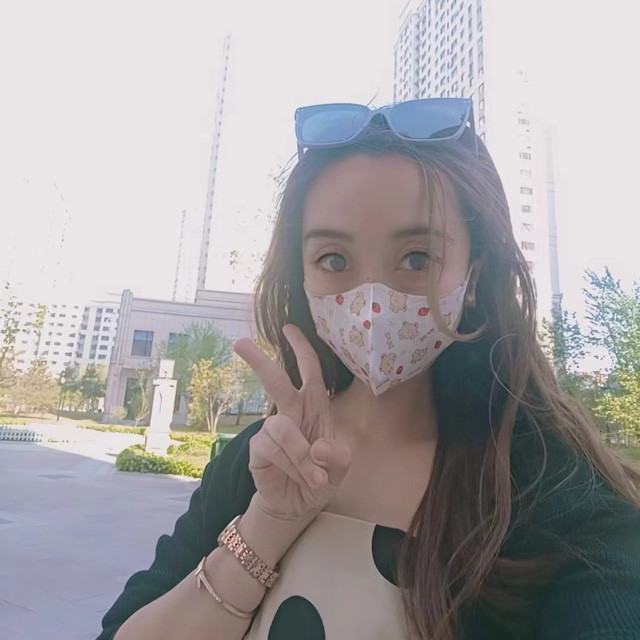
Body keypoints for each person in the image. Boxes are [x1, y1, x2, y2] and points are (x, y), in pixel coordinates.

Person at [97, 99, 640, 640]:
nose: (372, 303)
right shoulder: (260, 460)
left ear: (472, 276)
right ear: (302, 276)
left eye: (417, 257)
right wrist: (268, 524)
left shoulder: (552, 484)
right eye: (334, 259)